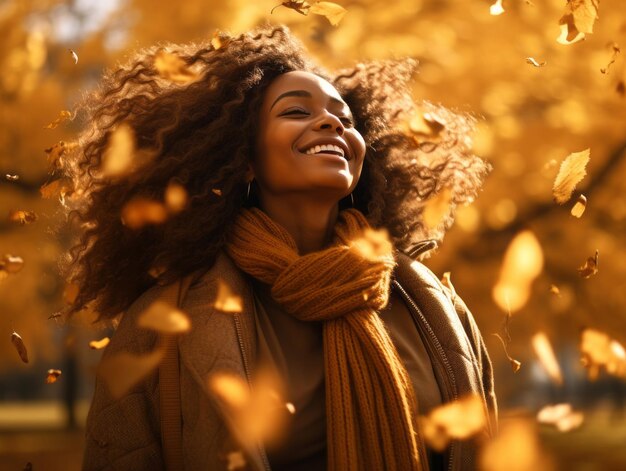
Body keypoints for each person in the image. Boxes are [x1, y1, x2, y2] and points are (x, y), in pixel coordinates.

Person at [64, 24, 496, 471]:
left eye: (345, 120)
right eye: (295, 112)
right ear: (244, 159)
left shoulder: (435, 308)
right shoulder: (162, 323)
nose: (331, 123)